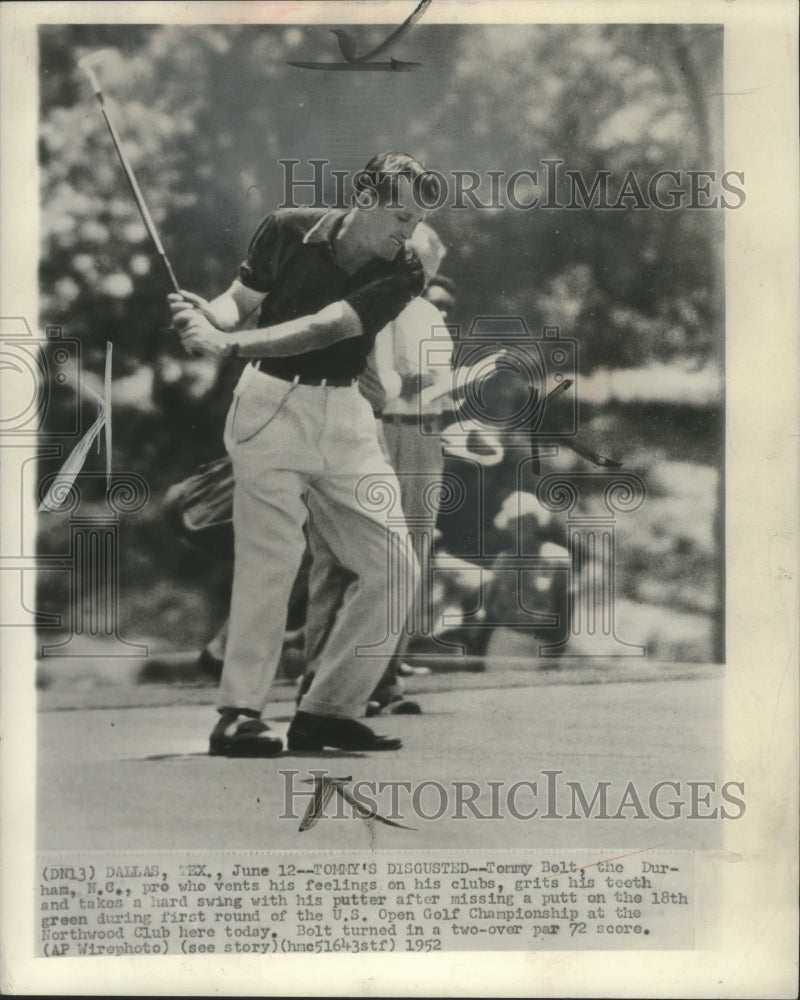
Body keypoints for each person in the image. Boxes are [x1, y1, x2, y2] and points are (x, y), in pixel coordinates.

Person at [169, 152, 437, 756]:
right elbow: (239, 299)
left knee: (396, 564)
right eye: (399, 214)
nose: (407, 231)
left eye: (416, 219)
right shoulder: (289, 227)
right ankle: (238, 714)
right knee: (273, 561)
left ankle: (327, 710)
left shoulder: (407, 269)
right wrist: (204, 317)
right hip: (269, 408)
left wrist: (225, 343)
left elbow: (326, 327)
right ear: (364, 198)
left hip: (345, 418)